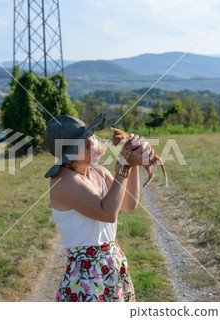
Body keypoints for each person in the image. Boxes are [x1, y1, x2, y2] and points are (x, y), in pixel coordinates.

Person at [44, 111, 153, 302]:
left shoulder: (99, 172)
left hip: (113, 263)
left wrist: (132, 158)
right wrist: (123, 167)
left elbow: (129, 203)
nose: (93, 145)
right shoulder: (61, 181)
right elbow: (107, 212)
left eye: (91, 138)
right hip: (86, 276)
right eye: (84, 144)